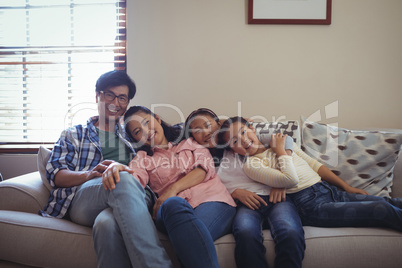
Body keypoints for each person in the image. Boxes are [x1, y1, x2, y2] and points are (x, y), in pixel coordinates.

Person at [42, 71, 172, 268]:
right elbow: (56, 175)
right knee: (123, 178)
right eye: (110, 94)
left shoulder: (133, 133)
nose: (116, 102)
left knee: (106, 224)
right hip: (86, 198)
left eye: (122, 98)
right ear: (98, 96)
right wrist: (88, 174)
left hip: (135, 197)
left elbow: (168, 138)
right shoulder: (74, 134)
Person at [102, 106, 237, 268]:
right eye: (137, 131)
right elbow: (132, 182)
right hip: (172, 212)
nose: (146, 131)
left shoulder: (191, 142)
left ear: (157, 119)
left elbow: (202, 170)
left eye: (147, 122)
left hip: (213, 201)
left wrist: (171, 190)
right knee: (172, 205)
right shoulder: (143, 159)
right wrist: (116, 167)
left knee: (188, 240)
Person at [219, 116, 402, 234]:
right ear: (233, 150)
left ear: (252, 127)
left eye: (244, 132)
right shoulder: (252, 165)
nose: (243, 140)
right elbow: (290, 179)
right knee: (381, 211)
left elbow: (314, 164)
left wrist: (346, 187)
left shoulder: (281, 142)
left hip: (328, 189)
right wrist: (282, 152)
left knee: (387, 202)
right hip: (309, 204)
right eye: (235, 141)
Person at [185, 108, 305, 268]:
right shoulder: (202, 157)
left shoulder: (236, 138)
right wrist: (234, 193)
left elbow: (285, 139)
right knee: (245, 231)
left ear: (218, 124)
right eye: (197, 131)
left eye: (208, 125)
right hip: (246, 205)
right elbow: (207, 188)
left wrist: (281, 178)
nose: (206, 132)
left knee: (290, 231)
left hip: (276, 198)